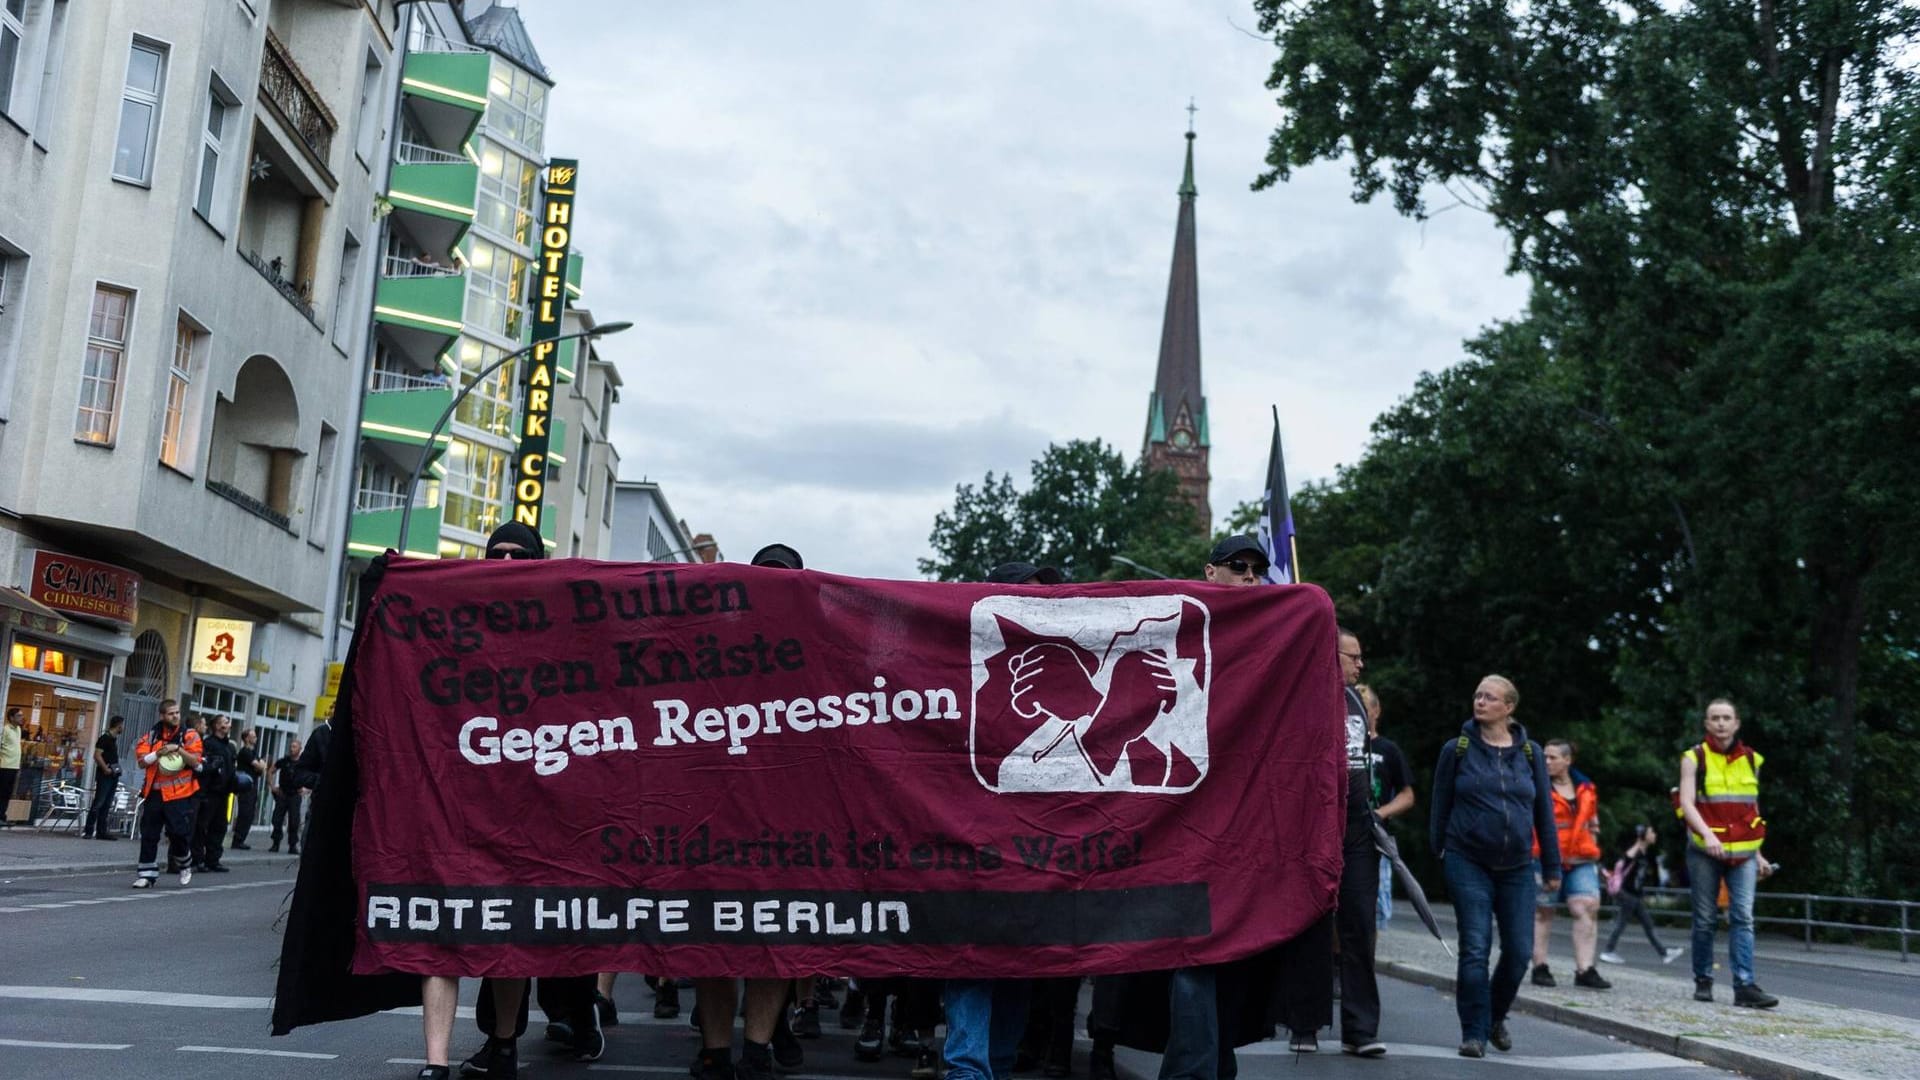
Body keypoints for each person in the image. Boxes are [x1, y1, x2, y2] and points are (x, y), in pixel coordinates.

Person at [452, 521, 604, 1080]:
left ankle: (577, 1017)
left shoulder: (567, 621)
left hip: (563, 801)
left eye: (521, 554)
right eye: (498, 553)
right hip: (495, 805)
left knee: (566, 925)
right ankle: (503, 1042)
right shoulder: (460, 617)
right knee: (505, 929)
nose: (508, 561)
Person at [1430, 675, 1559, 1058]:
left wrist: (1552, 865)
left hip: (1518, 866)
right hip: (1467, 859)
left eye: (1490, 697)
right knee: (1475, 948)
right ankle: (1473, 1033)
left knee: (1519, 951)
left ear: (1509, 707)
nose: (1480, 701)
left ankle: (1495, 1016)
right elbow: (1439, 806)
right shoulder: (1457, 749)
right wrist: (1440, 851)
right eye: (1477, 695)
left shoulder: (1531, 753)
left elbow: (1544, 814)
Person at [1677, 699, 1779, 1008]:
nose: (1721, 723)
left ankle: (1744, 985)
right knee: (1706, 918)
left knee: (1743, 917)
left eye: (1726, 718)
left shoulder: (1752, 760)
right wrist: (1707, 835)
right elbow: (1686, 803)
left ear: (1736, 724)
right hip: (1705, 851)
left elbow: (1752, 809)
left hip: (1744, 852)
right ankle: (1703, 979)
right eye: (1715, 718)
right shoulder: (1693, 758)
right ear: (1706, 724)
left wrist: (1759, 853)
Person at [1530, 740, 1608, 989]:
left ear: (1567, 760)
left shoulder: (1586, 787)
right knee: (1543, 911)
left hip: (1581, 857)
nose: (1546, 762)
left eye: (1552, 757)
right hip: (1545, 857)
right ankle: (1539, 967)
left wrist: (1595, 850)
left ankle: (1585, 969)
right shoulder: (1536, 786)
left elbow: (1592, 823)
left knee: (1586, 907)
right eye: (1544, 757)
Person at [1358, 686, 1414, 931]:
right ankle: (1338, 965)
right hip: (1341, 834)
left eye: (1365, 707)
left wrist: (1382, 812)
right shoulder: (1337, 745)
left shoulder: (1388, 750)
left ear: (1376, 711)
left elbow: (1407, 794)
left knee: (1375, 909)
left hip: (1375, 838)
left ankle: (1366, 962)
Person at [132, 700, 203, 888]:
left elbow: (196, 762)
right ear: (162, 716)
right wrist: (159, 753)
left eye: (177, 713)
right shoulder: (151, 736)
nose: (175, 716)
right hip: (154, 793)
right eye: (171, 713)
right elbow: (141, 761)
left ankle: (185, 862)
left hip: (179, 794)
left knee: (178, 832)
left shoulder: (189, 735)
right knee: (149, 833)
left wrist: (177, 748)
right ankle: (146, 875)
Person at [1599, 824, 1684, 965]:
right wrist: (1639, 842)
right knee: (1622, 924)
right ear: (1644, 836)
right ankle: (1608, 951)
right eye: (1651, 832)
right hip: (1627, 894)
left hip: (1634, 895)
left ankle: (1664, 953)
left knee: (1647, 924)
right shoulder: (1636, 850)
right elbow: (1626, 859)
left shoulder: (1644, 853)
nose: (1654, 834)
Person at [192, 715, 238, 873]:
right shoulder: (209, 744)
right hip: (209, 792)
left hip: (224, 793)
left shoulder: (229, 746)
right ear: (217, 726)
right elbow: (204, 766)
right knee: (202, 826)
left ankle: (213, 859)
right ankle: (197, 859)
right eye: (225, 722)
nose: (229, 725)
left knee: (219, 827)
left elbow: (231, 768)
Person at [84, 715, 126, 840]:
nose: (123, 728)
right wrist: (105, 768)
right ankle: (89, 831)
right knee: (99, 802)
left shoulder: (113, 740)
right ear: (118, 725)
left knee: (107, 804)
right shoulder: (104, 738)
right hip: (105, 776)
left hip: (113, 775)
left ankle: (102, 831)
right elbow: (97, 755)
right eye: (122, 725)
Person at [231, 727, 264, 849]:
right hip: (245, 786)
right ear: (246, 738)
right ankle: (237, 839)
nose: (255, 738)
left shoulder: (253, 752)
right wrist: (260, 766)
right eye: (253, 736)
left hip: (253, 785)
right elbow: (259, 766)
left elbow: (263, 766)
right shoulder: (245, 752)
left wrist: (261, 766)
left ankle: (241, 839)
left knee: (250, 813)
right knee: (245, 813)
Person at [270, 738, 303, 854]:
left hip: (295, 794)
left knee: (294, 821)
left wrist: (306, 788)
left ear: (300, 749)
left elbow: (312, 776)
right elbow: (271, 770)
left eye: (294, 747)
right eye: (291, 746)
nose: (291, 749)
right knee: (277, 819)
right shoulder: (284, 761)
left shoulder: (303, 763)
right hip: (283, 793)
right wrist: (272, 786)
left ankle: (292, 845)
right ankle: (275, 843)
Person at [0, 707, 23, 829]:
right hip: (4, 766)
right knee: (2, 792)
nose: (21, 718)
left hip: (14, 766)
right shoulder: (5, 729)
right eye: (19, 716)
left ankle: (2, 816)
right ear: (12, 717)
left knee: (8, 793)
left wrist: (18, 767)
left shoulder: (18, 729)